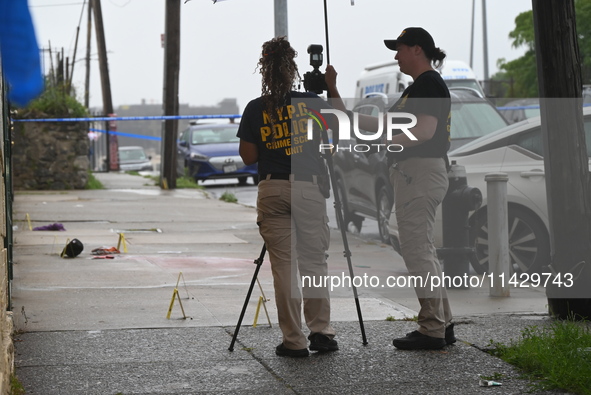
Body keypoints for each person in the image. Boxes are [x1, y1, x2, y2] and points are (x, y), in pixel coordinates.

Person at [325, 27, 455, 350]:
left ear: (416, 49)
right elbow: (380, 124)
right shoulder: (416, 89)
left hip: (420, 173)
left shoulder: (428, 84)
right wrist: (335, 96)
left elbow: (424, 132)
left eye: (398, 49)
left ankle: (432, 329)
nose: (395, 56)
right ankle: (442, 323)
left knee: (416, 250)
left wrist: (386, 146)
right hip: (418, 174)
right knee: (423, 249)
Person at [237, 36, 339, 357]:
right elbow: (341, 125)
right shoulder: (310, 102)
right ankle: (321, 331)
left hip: (272, 188)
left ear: (264, 70)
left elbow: (248, 157)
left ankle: (293, 340)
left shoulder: (256, 108)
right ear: (293, 67)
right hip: (308, 187)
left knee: (283, 267)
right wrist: (332, 86)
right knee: (314, 262)